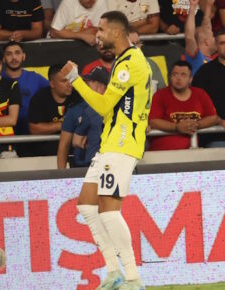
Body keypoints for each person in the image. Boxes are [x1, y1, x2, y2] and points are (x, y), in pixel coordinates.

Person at [61, 11, 151, 290]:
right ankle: (113, 272)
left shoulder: (130, 63)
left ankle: (133, 279)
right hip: (110, 144)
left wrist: (76, 79)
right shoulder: (125, 60)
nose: (97, 33)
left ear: (116, 33)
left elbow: (101, 107)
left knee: (110, 212)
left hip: (122, 145)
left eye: (101, 29)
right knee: (87, 206)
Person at [149, 60, 221, 150]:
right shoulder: (160, 95)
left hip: (193, 153)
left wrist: (196, 125)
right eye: (175, 74)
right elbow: (153, 121)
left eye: (183, 75)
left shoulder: (200, 94)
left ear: (190, 79)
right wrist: (176, 127)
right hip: (162, 151)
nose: (178, 78)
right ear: (170, 77)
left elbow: (213, 118)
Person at [57, 66, 108, 169]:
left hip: (109, 165)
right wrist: (61, 177)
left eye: (89, 82)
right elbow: (64, 146)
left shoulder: (115, 108)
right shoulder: (75, 109)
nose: (85, 85)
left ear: (102, 87)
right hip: (81, 167)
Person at [28, 63, 80, 156]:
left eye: (70, 80)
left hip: (74, 154)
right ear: (52, 83)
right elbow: (34, 129)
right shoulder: (39, 98)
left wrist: (51, 126)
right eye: (64, 81)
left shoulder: (78, 96)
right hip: (44, 156)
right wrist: (63, 125)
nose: (69, 84)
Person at [1, 41, 49, 136]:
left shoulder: (35, 78)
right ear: (3, 59)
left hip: (30, 134)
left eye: (17, 53)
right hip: (3, 133)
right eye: (9, 54)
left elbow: (55, 90)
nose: (14, 57)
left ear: (23, 56)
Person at [183, 0, 217, 76]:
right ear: (207, 42)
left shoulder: (214, 59)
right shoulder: (195, 56)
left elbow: (206, 24)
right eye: (213, 36)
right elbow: (189, 37)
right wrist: (192, 7)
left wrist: (208, 6)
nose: (217, 39)